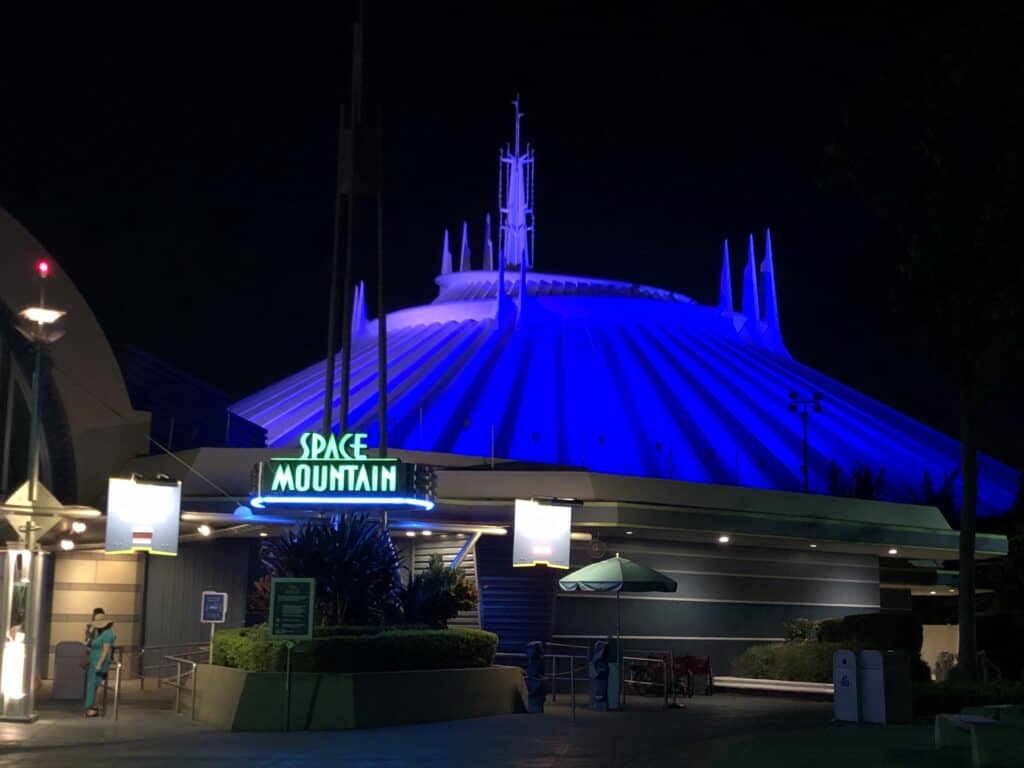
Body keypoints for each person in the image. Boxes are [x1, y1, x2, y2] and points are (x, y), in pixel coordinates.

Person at [84, 611, 115, 717]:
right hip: (94, 660)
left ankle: (94, 708)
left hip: (100, 661)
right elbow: (87, 643)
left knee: (97, 684)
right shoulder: (99, 633)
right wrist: (90, 632)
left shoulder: (108, 633)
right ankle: (91, 706)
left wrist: (99, 664)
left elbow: (106, 650)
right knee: (93, 684)